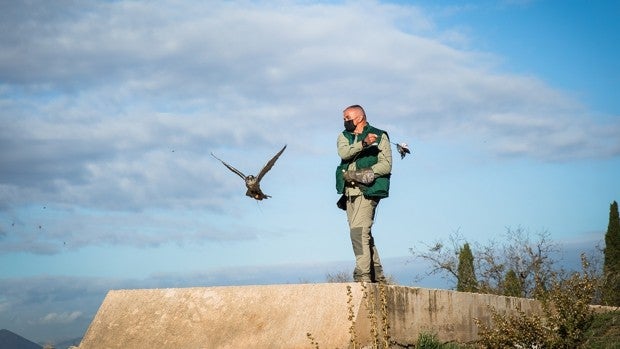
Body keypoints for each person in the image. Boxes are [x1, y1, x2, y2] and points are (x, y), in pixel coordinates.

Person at [336, 104, 392, 283]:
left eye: (348, 118)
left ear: (359, 118)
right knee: (362, 233)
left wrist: (365, 174)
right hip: (349, 192)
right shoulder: (343, 136)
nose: (345, 121)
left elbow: (386, 165)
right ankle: (377, 274)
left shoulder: (380, 135)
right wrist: (364, 143)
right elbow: (344, 153)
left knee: (358, 233)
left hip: (368, 191)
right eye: (344, 118)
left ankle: (363, 276)